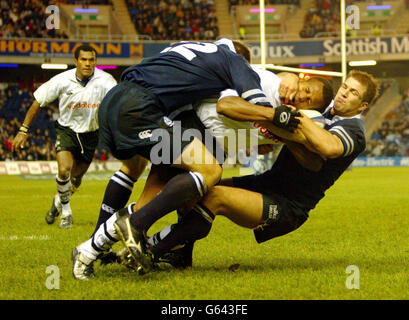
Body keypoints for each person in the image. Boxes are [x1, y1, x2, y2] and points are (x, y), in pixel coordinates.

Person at [71, 67, 333, 280]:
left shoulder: (292, 118)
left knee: (176, 203)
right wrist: (274, 118)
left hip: (212, 146)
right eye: (306, 91)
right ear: (302, 79)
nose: (302, 98)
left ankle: (94, 250)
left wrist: (292, 136)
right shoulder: (267, 81)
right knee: (154, 202)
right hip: (192, 128)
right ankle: (98, 248)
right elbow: (226, 106)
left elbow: (314, 162)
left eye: (310, 102)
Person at [139, 70, 379, 271]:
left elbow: (328, 147)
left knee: (215, 197)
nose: (344, 93)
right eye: (345, 87)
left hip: (289, 205)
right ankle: (181, 254)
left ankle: (150, 251)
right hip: (267, 183)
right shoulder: (325, 113)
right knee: (198, 185)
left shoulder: (354, 129)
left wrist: (294, 117)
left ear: (363, 104)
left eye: (353, 93)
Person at [12, 45, 118, 229]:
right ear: (76, 61)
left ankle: (57, 203)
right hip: (66, 130)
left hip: (91, 134)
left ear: (95, 61)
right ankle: (66, 212)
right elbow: (38, 102)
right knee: (64, 170)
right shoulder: (62, 80)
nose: (87, 63)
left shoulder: (106, 81)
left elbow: (117, 103)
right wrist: (23, 129)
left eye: (91, 60)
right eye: (83, 60)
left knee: (76, 180)